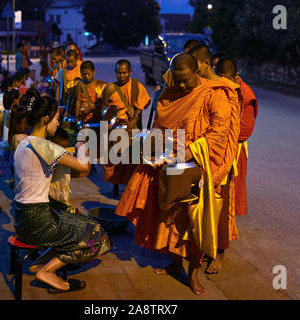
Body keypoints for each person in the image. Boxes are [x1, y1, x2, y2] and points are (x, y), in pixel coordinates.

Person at [115, 53, 235, 295]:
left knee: (193, 223)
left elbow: (219, 131)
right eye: (177, 80)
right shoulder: (168, 93)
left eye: (186, 81)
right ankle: (174, 263)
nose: (181, 86)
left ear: (197, 73)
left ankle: (193, 275)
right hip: (168, 165)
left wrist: (190, 151)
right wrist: (154, 153)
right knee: (168, 216)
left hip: (196, 168)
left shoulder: (213, 94)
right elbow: (159, 128)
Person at [13, 95, 112, 291]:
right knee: (96, 234)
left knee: (76, 219)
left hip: (23, 218)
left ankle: (40, 263)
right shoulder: (42, 145)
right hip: (39, 220)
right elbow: (84, 168)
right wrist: (81, 146)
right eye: (57, 119)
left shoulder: (23, 142)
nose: (58, 123)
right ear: (45, 119)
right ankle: (47, 271)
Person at [189, 45, 242, 274]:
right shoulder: (201, 86)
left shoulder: (225, 90)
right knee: (198, 207)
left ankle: (219, 254)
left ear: (204, 63)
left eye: (194, 65)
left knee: (220, 209)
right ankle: (197, 251)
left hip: (220, 158)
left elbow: (223, 131)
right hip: (200, 157)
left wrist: (194, 149)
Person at [215, 57, 258, 217]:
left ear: (236, 76)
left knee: (229, 193)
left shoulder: (245, 93)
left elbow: (245, 130)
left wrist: (219, 133)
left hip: (233, 148)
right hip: (217, 147)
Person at [101, 59, 151, 196]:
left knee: (131, 160)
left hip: (132, 129)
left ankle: (129, 189)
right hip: (115, 130)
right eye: (118, 73)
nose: (121, 76)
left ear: (130, 72)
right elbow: (104, 110)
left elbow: (140, 106)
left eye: (124, 73)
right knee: (114, 160)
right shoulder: (110, 88)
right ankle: (115, 187)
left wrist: (133, 121)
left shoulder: (136, 86)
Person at [75, 60, 107, 125]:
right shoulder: (80, 84)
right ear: (80, 73)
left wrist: (92, 107)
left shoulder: (101, 85)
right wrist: (77, 116)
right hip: (83, 116)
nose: (86, 76)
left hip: (97, 116)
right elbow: (78, 101)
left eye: (88, 74)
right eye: (84, 74)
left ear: (94, 71)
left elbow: (104, 103)